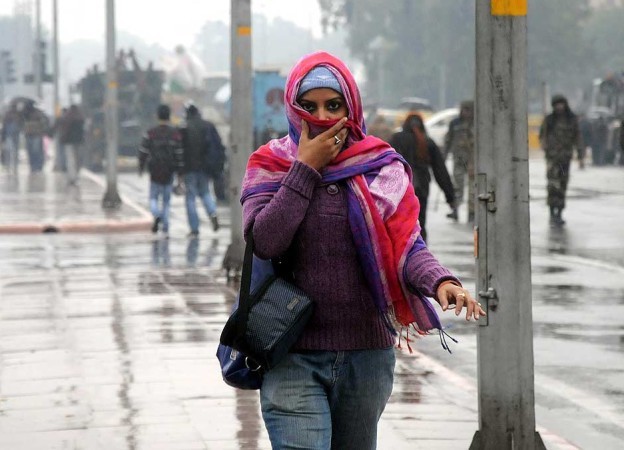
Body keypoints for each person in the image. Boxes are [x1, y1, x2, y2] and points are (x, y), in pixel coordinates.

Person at [240, 51, 485, 450]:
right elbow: (265, 241)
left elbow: (408, 245)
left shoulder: (380, 167)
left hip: (365, 357)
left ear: (350, 107)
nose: (321, 116)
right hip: (290, 355)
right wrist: (305, 168)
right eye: (310, 106)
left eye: (333, 105)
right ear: (292, 108)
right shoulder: (270, 164)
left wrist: (441, 282)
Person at [390, 113, 456, 241]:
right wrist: (450, 197)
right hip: (422, 189)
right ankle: (420, 256)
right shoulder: (428, 142)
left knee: (400, 224)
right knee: (420, 224)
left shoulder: (396, 139)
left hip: (400, 188)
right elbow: (440, 171)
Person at [138, 104, 184, 236]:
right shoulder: (175, 134)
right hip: (169, 171)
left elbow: (143, 151)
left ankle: (156, 214)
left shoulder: (151, 133)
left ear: (157, 116)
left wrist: (141, 166)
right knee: (166, 200)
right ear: (169, 116)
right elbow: (179, 154)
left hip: (154, 170)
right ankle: (166, 226)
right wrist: (180, 172)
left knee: (153, 197)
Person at [539, 95, 584, 226]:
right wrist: (545, 146)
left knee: (562, 185)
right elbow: (542, 136)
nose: (559, 107)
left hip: (565, 159)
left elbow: (578, 138)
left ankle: (559, 212)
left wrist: (581, 156)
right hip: (552, 159)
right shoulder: (549, 120)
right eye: (557, 104)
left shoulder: (572, 120)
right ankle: (552, 211)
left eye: (561, 104)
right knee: (552, 184)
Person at [180, 104, 223, 237]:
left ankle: (194, 228)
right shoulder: (207, 126)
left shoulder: (184, 127)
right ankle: (212, 212)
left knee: (191, 197)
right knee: (205, 192)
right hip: (205, 167)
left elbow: (180, 150)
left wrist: (179, 171)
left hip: (189, 168)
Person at [445, 100, 475, 223]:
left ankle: (472, 212)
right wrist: (444, 155)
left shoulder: (476, 123)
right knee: (457, 186)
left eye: (468, 109)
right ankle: (455, 209)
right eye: (464, 109)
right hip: (458, 158)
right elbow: (448, 139)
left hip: (472, 160)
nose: (465, 112)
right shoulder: (455, 123)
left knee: (473, 188)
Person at [59, 105, 85, 185]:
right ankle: (75, 176)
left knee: (70, 160)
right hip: (78, 142)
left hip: (69, 142)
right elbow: (83, 132)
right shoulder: (81, 119)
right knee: (78, 160)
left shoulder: (67, 118)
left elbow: (64, 130)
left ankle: (71, 177)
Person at [22, 102, 49, 173]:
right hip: (29, 135)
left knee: (36, 151)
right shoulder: (24, 113)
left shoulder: (38, 113)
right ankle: (33, 166)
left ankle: (38, 166)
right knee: (30, 151)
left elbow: (45, 120)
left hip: (36, 134)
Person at [1, 105, 23, 176]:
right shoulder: (15, 115)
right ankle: (12, 167)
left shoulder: (14, 115)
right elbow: (4, 128)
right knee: (11, 152)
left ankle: (11, 167)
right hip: (10, 136)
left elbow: (4, 128)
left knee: (11, 152)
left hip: (11, 136)